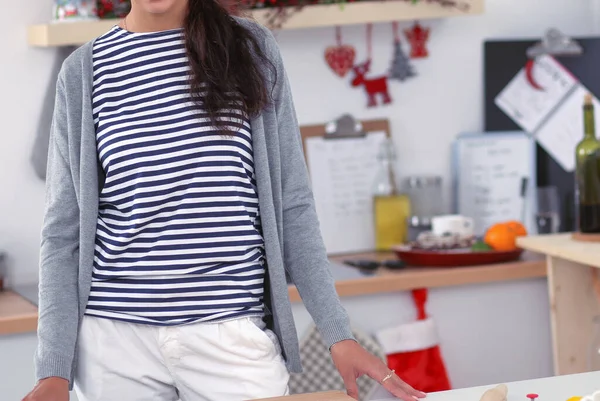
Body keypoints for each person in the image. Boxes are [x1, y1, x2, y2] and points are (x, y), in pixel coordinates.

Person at [23, 1, 427, 400]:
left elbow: (293, 206)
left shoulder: (249, 48)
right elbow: (62, 233)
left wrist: (338, 334)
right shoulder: (83, 72)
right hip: (115, 342)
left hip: (231, 336)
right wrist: (53, 370)